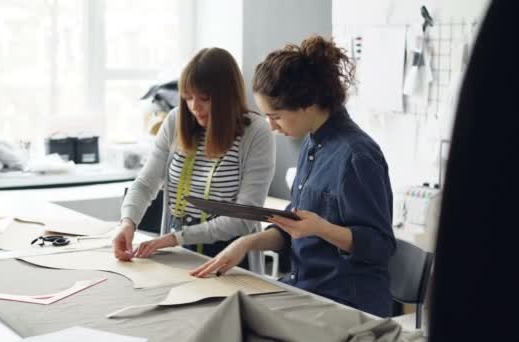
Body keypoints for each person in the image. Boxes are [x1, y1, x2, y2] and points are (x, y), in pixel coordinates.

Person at [191, 35, 396, 318]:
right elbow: (295, 226)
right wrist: (245, 243)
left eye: (275, 116)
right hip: (305, 291)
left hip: (347, 305)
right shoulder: (312, 144)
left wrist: (321, 228)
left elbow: (380, 247)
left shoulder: (357, 156)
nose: (271, 127)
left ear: (308, 104)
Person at [113, 47, 276, 271]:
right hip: (175, 251)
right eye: (188, 98)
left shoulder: (256, 132)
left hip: (228, 259)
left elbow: (244, 216)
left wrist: (176, 238)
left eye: (204, 98)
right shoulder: (175, 121)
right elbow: (145, 183)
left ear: (226, 96)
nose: (194, 107)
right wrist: (127, 223)